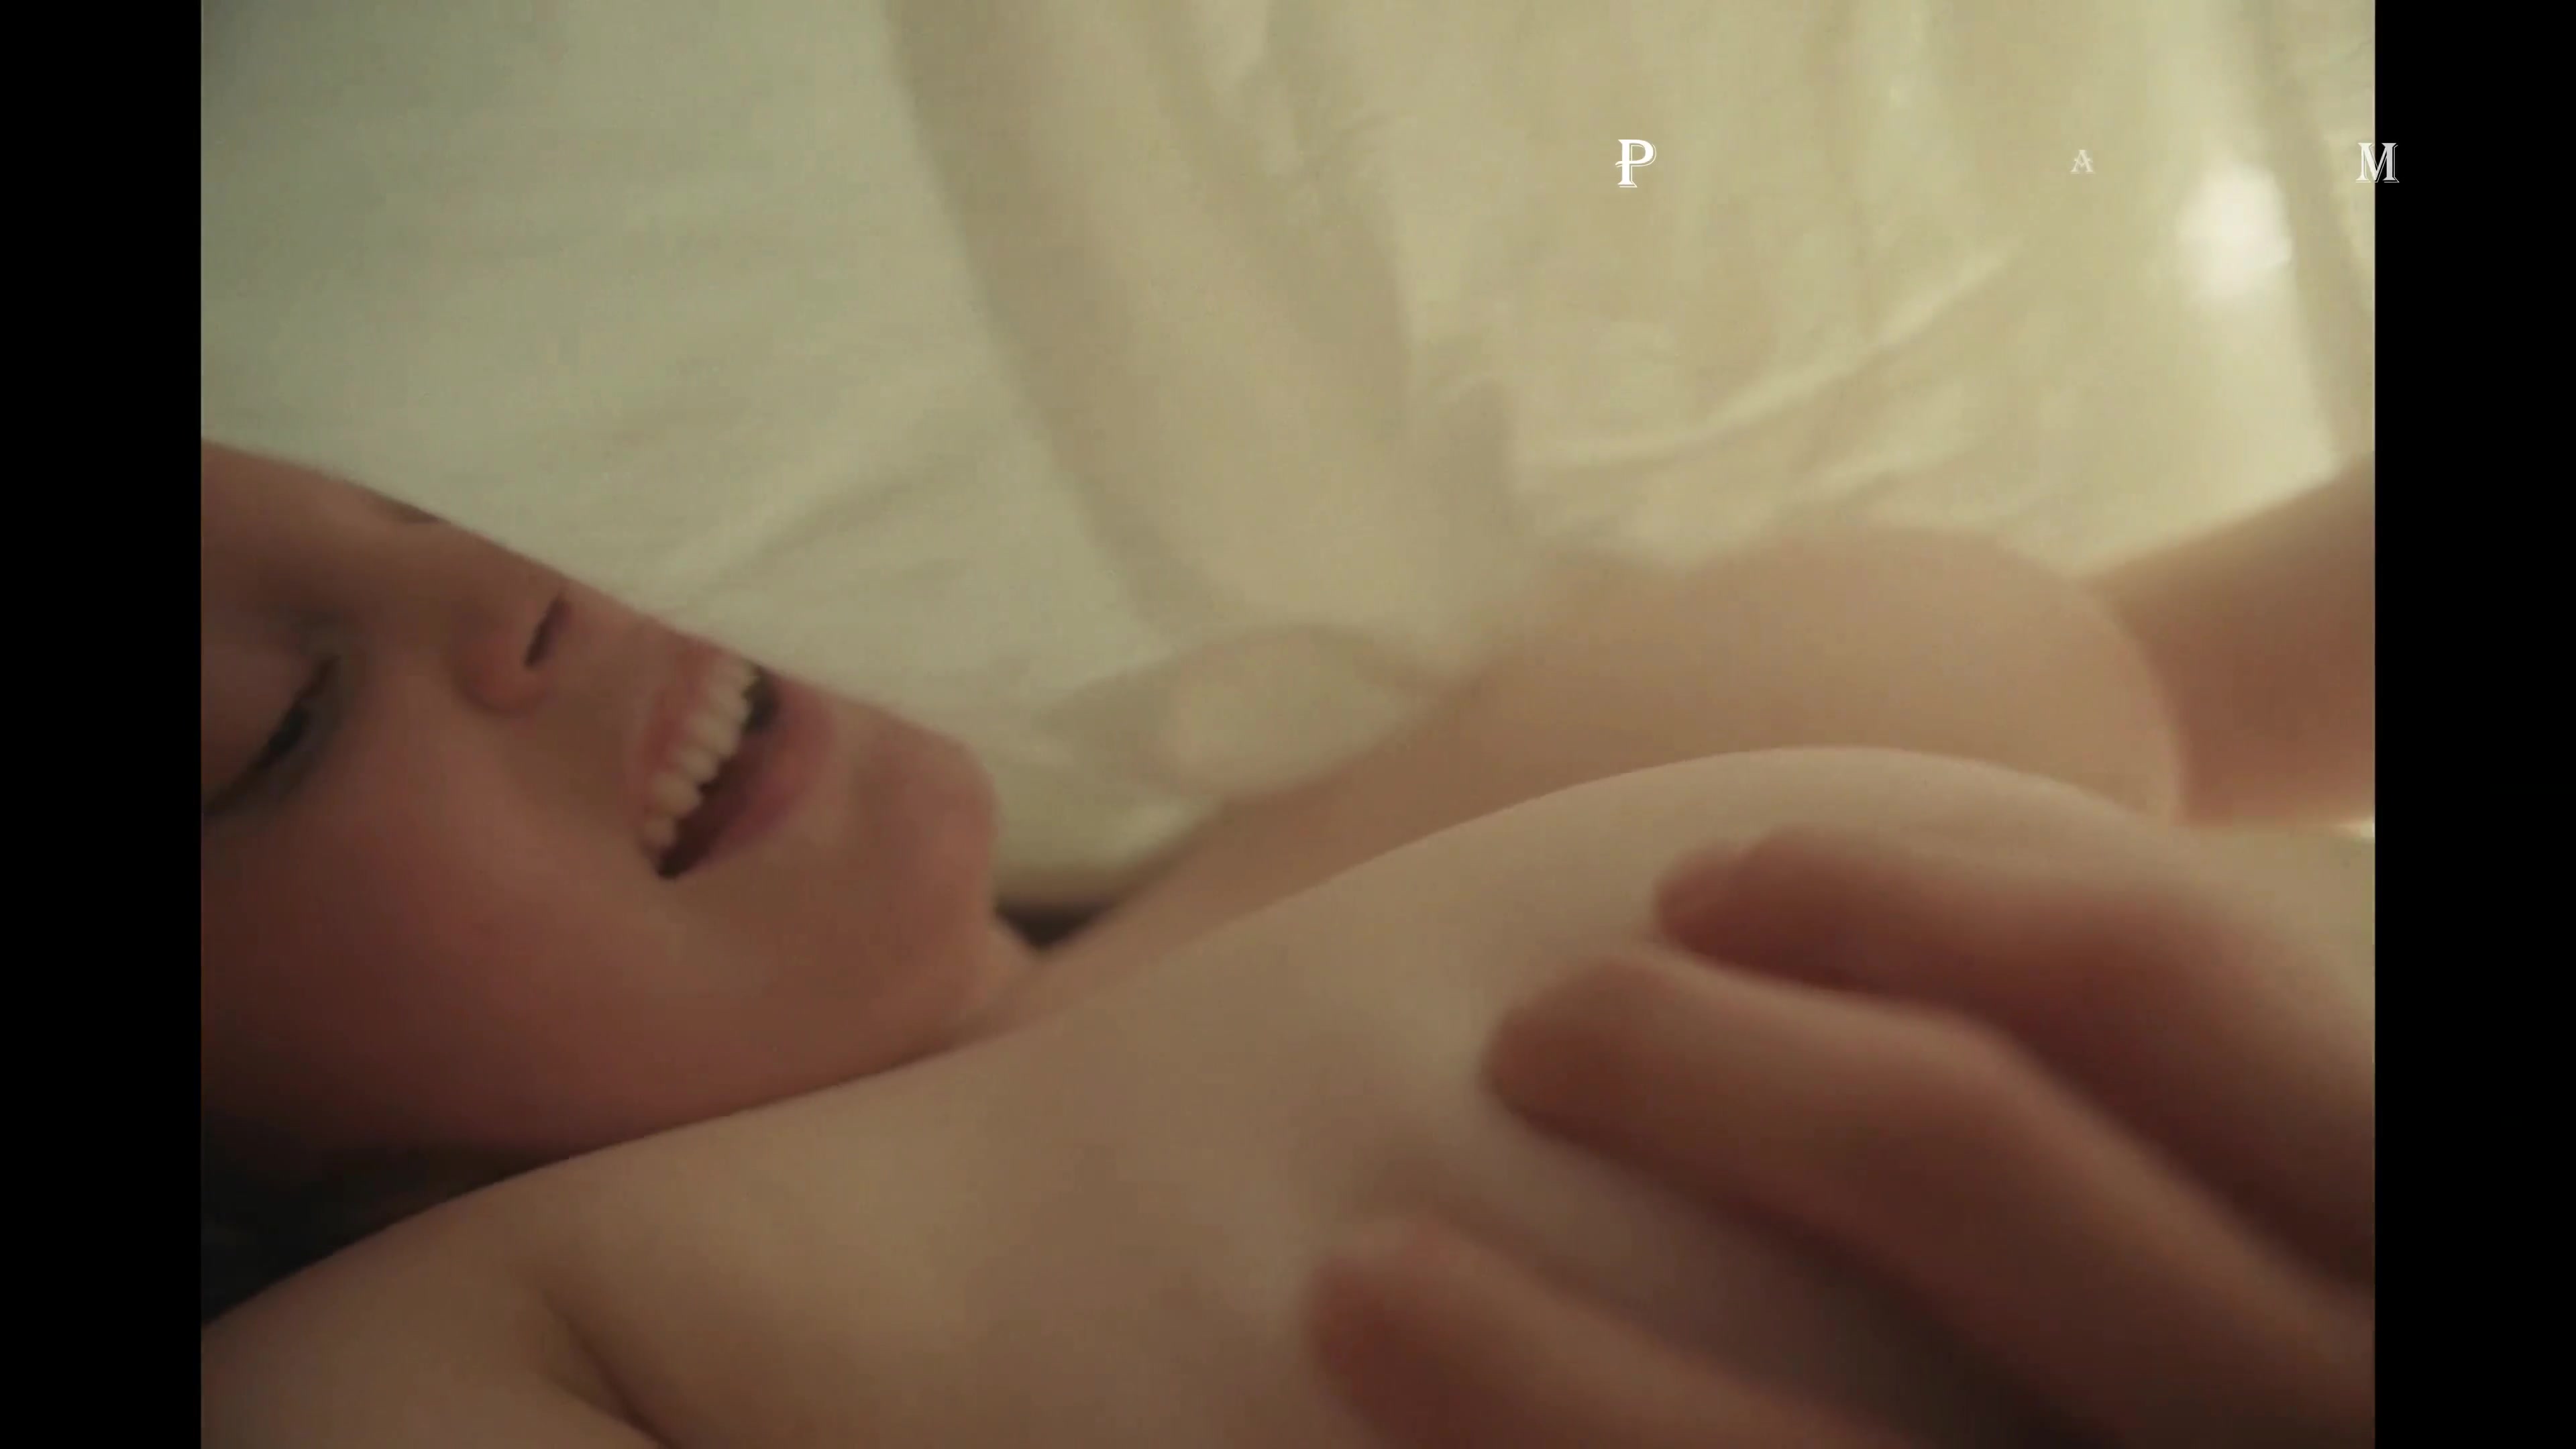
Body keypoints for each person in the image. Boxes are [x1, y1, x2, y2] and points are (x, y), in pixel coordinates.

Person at [200, 442, 2371, 1443]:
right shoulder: (438, 1351)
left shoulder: (1377, 769)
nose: (519, 585)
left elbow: (2229, 675)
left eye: (418, 496)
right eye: (269, 729)